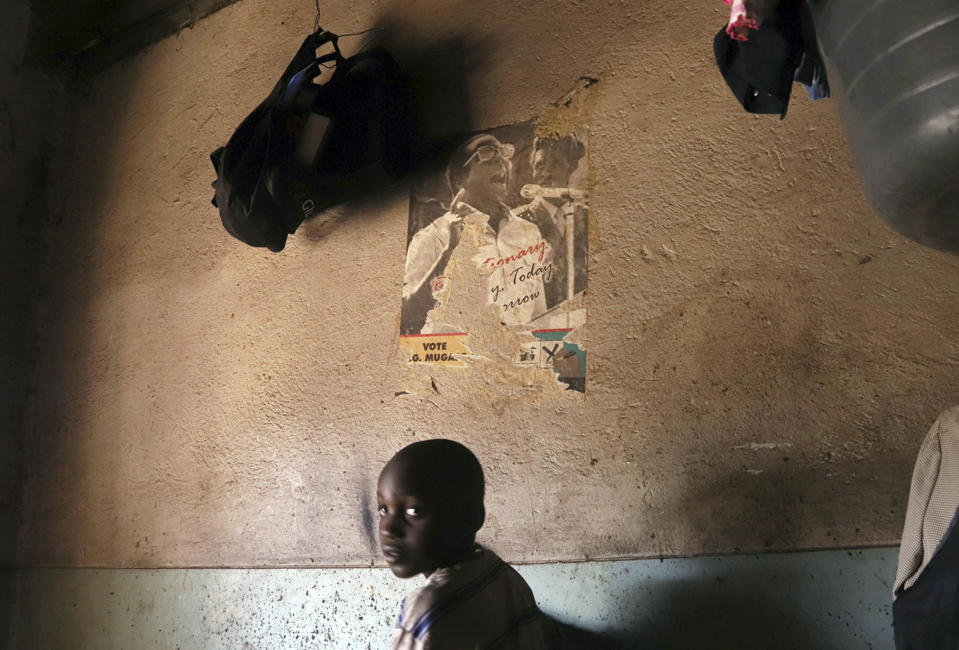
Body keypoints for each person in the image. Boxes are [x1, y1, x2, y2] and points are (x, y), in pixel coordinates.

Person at [377, 439, 554, 649]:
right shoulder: (500, 574)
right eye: (383, 509)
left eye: (414, 510)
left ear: (472, 516)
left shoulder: (426, 613)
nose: (388, 529)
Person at [401, 134, 550, 334]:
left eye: (503, 155)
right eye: (486, 153)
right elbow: (409, 313)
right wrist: (450, 249)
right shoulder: (432, 237)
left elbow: (538, 312)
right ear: (459, 179)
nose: (500, 161)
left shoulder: (528, 231)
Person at [516, 133, 588, 311]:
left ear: (570, 167)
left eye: (555, 164)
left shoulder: (586, 218)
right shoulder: (517, 221)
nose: (546, 173)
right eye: (540, 165)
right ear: (532, 170)